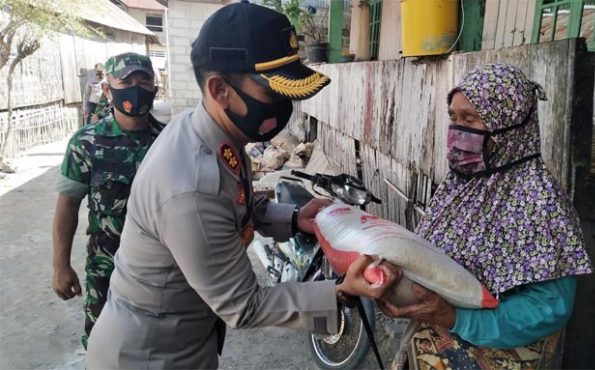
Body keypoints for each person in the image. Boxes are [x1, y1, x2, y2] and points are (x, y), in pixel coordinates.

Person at [84, 3, 401, 369]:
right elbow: (244, 307)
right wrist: (342, 294)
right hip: (149, 355)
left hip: (185, 337)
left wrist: (296, 218)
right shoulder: (191, 183)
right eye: (274, 92)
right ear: (219, 89)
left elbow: (231, 207)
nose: (286, 107)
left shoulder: (212, 131)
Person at [378, 64, 594, 369]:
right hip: (436, 340)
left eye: (471, 119)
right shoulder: (463, 183)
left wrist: (455, 318)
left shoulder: (539, 200)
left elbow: (549, 307)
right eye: (453, 118)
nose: (457, 131)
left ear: (508, 125)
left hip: (494, 354)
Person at [51, 53, 165, 350]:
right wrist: (60, 266)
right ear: (107, 90)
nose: (136, 87)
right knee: (104, 346)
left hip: (160, 270)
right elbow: (67, 206)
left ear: (155, 88)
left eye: (144, 81)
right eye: (126, 81)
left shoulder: (169, 141)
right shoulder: (87, 142)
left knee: (158, 345)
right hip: (106, 268)